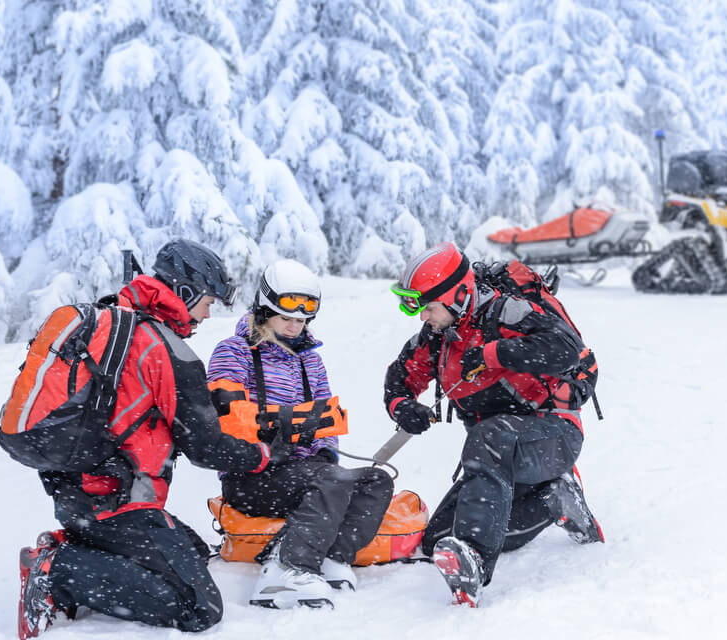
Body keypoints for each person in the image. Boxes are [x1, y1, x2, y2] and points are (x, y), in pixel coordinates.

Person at [17, 239, 292, 640]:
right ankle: (56, 570)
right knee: (199, 607)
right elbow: (206, 448)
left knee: (195, 552)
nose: (208, 312)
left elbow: (136, 408)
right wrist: (265, 454)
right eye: (208, 301)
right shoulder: (166, 349)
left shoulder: (118, 323)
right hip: (115, 503)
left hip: (78, 494)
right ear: (184, 292)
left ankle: (80, 543)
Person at [384, 242, 604, 607]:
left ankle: (473, 560)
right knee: (437, 537)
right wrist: (402, 405)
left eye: (429, 306)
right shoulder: (437, 335)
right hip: (499, 461)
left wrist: (492, 354)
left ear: (456, 294)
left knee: (489, 437)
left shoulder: (508, 313)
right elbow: (400, 375)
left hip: (553, 436)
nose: (423, 316)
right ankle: (551, 500)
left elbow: (567, 348)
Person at [207, 259, 394, 609]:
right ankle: (287, 570)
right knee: (333, 481)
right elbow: (224, 418)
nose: (295, 327)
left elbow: (326, 420)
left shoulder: (311, 361)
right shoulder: (234, 352)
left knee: (376, 481)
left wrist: (323, 451)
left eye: (301, 319)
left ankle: (331, 557)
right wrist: (285, 428)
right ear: (264, 312)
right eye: (286, 318)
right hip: (250, 476)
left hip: (304, 473)